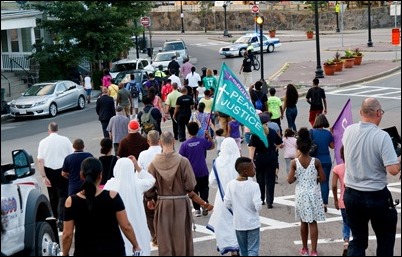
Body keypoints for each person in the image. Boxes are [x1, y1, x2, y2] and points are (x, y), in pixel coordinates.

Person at [342, 97, 400, 256]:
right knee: (385, 241)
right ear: (378, 113)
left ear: (361, 112)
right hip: (376, 195)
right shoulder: (382, 137)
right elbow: (393, 170)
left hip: (352, 194)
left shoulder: (349, 131)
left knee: (358, 241)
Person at [144, 131, 213, 256]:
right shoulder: (183, 162)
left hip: (163, 203)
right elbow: (190, 186)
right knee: (181, 238)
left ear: (160, 143)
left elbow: (149, 187)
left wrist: (149, 199)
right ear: (173, 141)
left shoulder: (153, 164)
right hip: (181, 203)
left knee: (165, 238)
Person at [61, 157, 141, 256]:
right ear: (100, 175)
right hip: (113, 250)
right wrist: (135, 245)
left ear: (81, 175)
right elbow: (126, 226)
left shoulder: (71, 201)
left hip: (85, 251)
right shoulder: (112, 196)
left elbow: (67, 234)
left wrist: (65, 254)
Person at [103, 157, 156, 256]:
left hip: (118, 224)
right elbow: (151, 180)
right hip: (137, 222)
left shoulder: (110, 185)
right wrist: (137, 167)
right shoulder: (137, 183)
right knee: (140, 244)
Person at [287, 127, 326, 257]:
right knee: (313, 222)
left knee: (303, 221)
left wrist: (299, 176)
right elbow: (323, 178)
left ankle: (304, 248)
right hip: (313, 193)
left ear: (298, 147)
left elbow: (290, 180)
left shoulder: (294, 162)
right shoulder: (316, 162)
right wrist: (314, 177)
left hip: (301, 193)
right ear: (310, 147)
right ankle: (314, 250)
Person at [37, 122, 73, 232]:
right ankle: (62, 217)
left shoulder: (43, 142)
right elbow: (71, 155)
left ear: (49, 130)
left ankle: (56, 217)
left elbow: (40, 160)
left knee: (52, 195)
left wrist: (43, 176)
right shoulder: (65, 140)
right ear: (58, 129)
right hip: (62, 169)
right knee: (63, 194)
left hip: (49, 171)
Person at [207, 138, 240, 256]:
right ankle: (239, 247)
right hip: (239, 197)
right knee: (239, 223)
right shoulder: (239, 161)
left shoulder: (218, 162)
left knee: (226, 225)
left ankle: (233, 250)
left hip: (222, 198)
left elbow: (212, 181)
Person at [224, 156, 262, 256]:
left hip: (239, 224)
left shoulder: (231, 185)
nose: (254, 169)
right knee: (253, 249)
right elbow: (258, 206)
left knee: (243, 251)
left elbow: (226, 203)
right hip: (252, 223)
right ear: (245, 171)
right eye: (252, 168)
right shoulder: (254, 185)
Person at [179, 122, 215, 217]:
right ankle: (204, 203)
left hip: (191, 172)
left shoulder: (185, 145)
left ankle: (197, 209)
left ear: (188, 131)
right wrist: (209, 136)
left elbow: (180, 159)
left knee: (193, 190)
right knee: (204, 188)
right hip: (202, 170)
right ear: (198, 130)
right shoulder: (202, 141)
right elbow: (212, 146)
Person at [248, 112, 283, 208]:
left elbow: (252, 148)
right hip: (271, 157)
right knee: (270, 179)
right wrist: (275, 148)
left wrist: (251, 160)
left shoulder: (255, 133)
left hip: (259, 158)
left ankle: (261, 198)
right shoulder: (272, 131)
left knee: (260, 179)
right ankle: (270, 201)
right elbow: (280, 143)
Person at [137, 130, 162, 247]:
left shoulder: (143, 154)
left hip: (148, 188)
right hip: (164, 188)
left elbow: (139, 173)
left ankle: (156, 236)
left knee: (150, 214)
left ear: (148, 141)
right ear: (159, 139)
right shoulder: (163, 151)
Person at [311, 114, 334, 212]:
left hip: (314, 160)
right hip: (326, 160)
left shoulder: (311, 132)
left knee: (313, 183)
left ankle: (314, 202)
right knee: (324, 182)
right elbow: (332, 146)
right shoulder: (328, 133)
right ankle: (324, 203)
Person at [331, 145, 351, 256]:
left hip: (343, 200)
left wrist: (335, 199)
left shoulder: (337, 168)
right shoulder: (355, 167)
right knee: (356, 223)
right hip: (355, 200)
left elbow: (334, 185)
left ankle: (346, 241)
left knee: (345, 222)